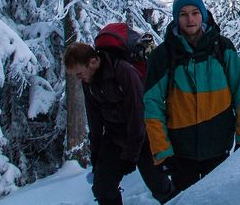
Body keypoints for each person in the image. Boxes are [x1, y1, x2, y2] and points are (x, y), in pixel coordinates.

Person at [143, 0, 240, 195]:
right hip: (180, 152)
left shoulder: (222, 48)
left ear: (203, 15)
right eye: (184, 14)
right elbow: (152, 105)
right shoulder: (163, 55)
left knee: (221, 199)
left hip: (219, 147)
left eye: (195, 13)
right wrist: (162, 150)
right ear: (176, 18)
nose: (190, 19)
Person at [64, 42, 175, 205]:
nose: (79, 78)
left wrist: (130, 156)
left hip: (144, 139)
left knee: (160, 187)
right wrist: (96, 153)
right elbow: (94, 120)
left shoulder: (125, 72)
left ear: (93, 62)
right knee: (103, 189)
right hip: (114, 138)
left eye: (80, 74)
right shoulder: (89, 82)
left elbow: (138, 116)